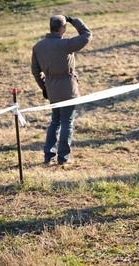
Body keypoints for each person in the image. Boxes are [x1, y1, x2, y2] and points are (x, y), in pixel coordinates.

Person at [31, 15, 92, 165]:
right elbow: (87, 35)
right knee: (67, 123)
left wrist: (44, 87)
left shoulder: (38, 46)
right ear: (61, 29)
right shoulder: (65, 44)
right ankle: (63, 158)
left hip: (52, 89)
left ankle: (48, 156)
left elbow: (35, 70)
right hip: (68, 90)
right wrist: (74, 20)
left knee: (55, 122)